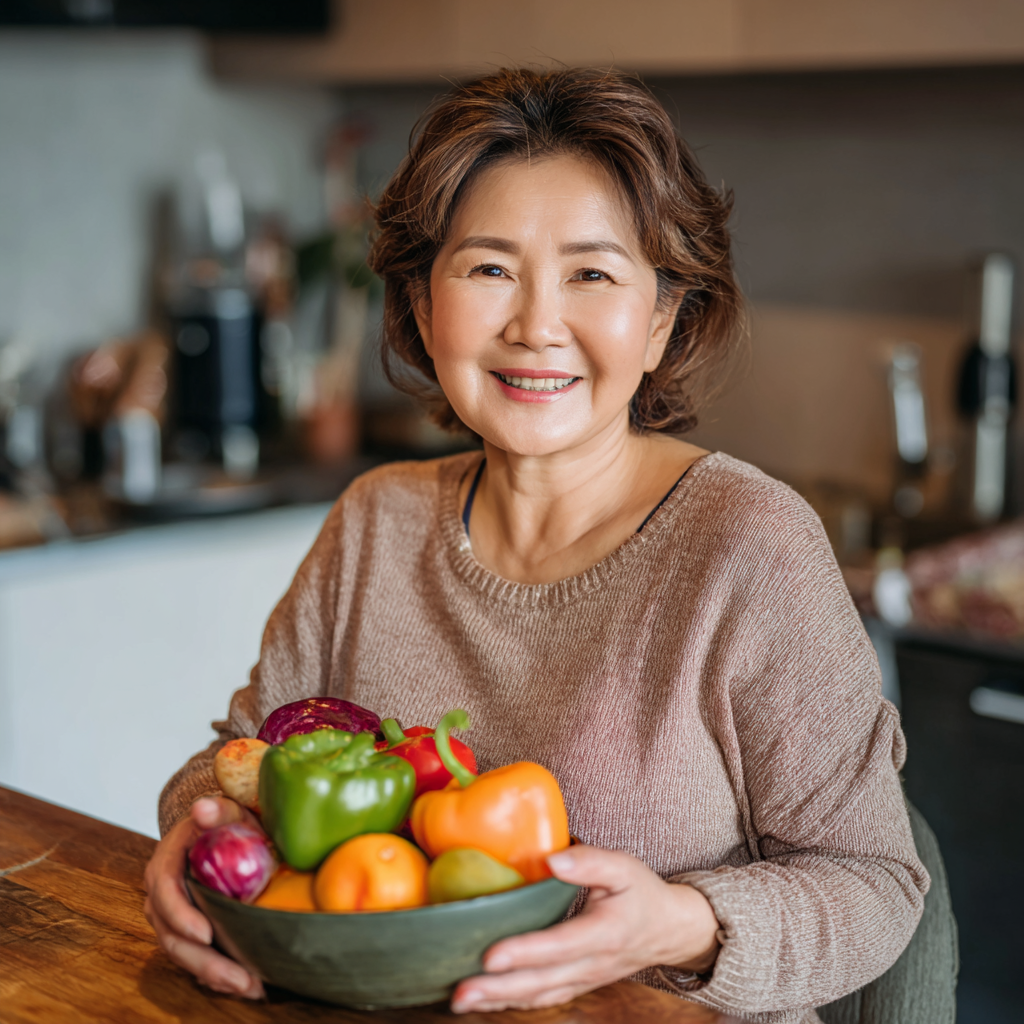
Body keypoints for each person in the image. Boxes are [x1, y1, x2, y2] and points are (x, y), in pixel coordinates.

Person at [144, 67, 928, 1022]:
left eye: (592, 274)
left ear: (662, 323)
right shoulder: (374, 523)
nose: (535, 325)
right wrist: (194, 839)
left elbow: (876, 885)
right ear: (425, 309)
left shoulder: (748, 546)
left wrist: (679, 923)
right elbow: (239, 761)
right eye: (489, 269)